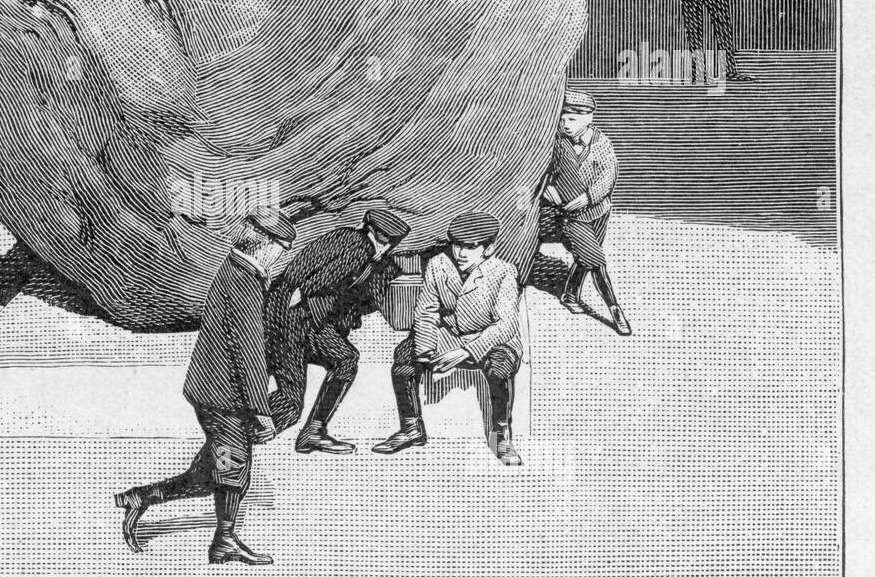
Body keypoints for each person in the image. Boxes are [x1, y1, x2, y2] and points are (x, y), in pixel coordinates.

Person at [114, 207, 297, 566]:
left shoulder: (236, 267)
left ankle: (141, 497)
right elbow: (248, 352)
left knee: (209, 471)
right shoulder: (244, 280)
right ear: (266, 245)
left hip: (214, 390)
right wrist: (260, 411)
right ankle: (224, 542)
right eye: (280, 248)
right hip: (222, 397)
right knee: (233, 469)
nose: (280, 256)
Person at [375, 211, 524, 466]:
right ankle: (412, 428)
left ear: (488, 249)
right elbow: (426, 311)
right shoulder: (438, 265)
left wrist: (465, 352)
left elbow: (505, 325)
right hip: (450, 335)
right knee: (403, 356)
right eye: (457, 245)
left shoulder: (505, 272)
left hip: (491, 339)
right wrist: (424, 354)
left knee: (500, 368)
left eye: (471, 246)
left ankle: (501, 436)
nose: (461, 253)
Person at [265, 209, 411, 455]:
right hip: (293, 318)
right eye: (381, 239)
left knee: (345, 359)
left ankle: (313, 431)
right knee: (290, 403)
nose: (383, 247)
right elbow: (312, 282)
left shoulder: (380, 263)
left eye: (390, 242)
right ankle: (238, 432)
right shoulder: (354, 243)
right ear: (369, 230)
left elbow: (369, 301)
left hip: (314, 321)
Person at [543, 89, 631, 336]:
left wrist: (588, 198)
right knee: (596, 260)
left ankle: (570, 294)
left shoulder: (601, 143)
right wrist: (548, 190)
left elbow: (608, 176)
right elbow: (544, 171)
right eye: (562, 118)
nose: (565, 125)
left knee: (587, 258)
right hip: (570, 216)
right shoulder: (556, 142)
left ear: (589, 118)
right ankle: (615, 310)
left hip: (598, 210)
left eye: (572, 119)